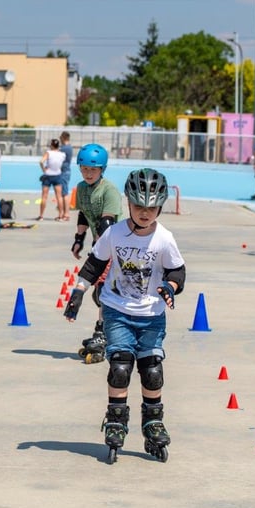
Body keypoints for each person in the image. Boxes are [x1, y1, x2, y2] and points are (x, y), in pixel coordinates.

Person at [63, 168, 186, 464]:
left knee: (151, 369)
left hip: (151, 314)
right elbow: (94, 264)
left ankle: (152, 420)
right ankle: (116, 418)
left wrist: (170, 286)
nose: (145, 213)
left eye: (152, 208)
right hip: (116, 310)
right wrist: (79, 291)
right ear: (128, 203)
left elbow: (177, 271)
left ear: (160, 206)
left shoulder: (164, 238)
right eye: (140, 206)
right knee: (120, 366)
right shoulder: (114, 233)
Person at [70, 144, 123, 363]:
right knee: (100, 293)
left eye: (93, 170)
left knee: (103, 290)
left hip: (114, 245)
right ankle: (109, 331)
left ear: (102, 169)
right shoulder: (82, 188)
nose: (88, 173)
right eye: (84, 169)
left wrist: (96, 252)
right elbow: (84, 214)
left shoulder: (109, 190)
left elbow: (106, 223)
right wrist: (78, 240)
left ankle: (102, 333)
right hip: (97, 244)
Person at [37, 138, 65, 221]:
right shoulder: (62, 154)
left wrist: (44, 170)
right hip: (57, 175)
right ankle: (60, 216)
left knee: (44, 197)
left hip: (48, 175)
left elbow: (41, 161)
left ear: (52, 145)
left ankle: (41, 216)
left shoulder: (48, 153)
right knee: (59, 197)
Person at [59, 131, 74, 221]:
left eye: (61, 138)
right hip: (65, 171)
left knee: (64, 193)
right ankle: (65, 213)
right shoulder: (69, 147)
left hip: (64, 172)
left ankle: (66, 214)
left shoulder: (65, 148)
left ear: (64, 138)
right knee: (63, 193)